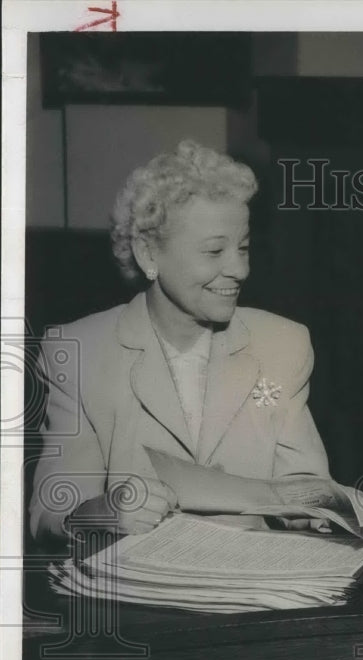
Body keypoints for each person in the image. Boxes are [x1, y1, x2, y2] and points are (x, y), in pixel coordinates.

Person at [29, 140, 345, 543]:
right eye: (215, 251)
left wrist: (310, 511)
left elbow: (304, 482)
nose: (239, 269)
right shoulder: (77, 352)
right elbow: (52, 510)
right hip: (136, 594)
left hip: (252, 590)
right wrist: (104, 512)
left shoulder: (283, 344)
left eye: (243, 247)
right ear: (148, 254)